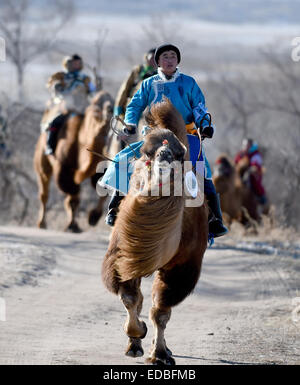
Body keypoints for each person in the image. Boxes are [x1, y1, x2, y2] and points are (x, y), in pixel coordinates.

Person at [104, 44, 228, 238]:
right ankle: (115, 207)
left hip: (185, 135)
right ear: (157, 61)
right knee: (123, 160)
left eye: (172, 56)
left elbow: (199, 106)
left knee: (202, 169)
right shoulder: (148, 84)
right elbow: (134, 105)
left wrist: (204, 124)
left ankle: (215, 218)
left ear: (177, 60)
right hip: (156, 134)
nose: (169, 60)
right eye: (164, 57)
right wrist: (129, 124)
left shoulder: (189, 83)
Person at [43, 54, 96, 155]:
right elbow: (56, 92)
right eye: (73, 63)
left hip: (83, 108)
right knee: (54, 123)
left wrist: (96, 87)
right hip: (67, 107)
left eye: (78, 63)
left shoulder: (84, 78)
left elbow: (93, 91)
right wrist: (67, 90)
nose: (76, 65)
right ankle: (50, 146)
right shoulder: (61, 77)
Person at [114, 48, 157, 118]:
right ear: (146, 58)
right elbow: (125, 88)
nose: (153, 61)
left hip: (153, 109)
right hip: (132, 106)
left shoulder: (161, 74)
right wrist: (118, 106)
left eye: (155, 58)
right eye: (151, 58)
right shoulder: (138, 70)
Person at [235, 138, 267, 205]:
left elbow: (256, 164)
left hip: (252, 172)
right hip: (240, 172)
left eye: (247, 145)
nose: (245, 147)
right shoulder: (241, 154)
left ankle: (261, 195)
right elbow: (236, 162)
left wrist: (253, 168)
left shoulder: (255, 154)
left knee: (253, 179)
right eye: (244, 145)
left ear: (251, 146)